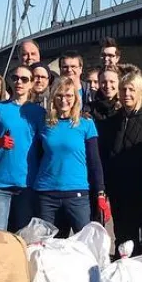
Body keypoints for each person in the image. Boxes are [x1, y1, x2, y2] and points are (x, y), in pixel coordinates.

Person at [98, 71, 142, 249]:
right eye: (123, 89)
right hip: (119, 193)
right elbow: (106, 154)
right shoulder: (113, 121)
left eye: (131, 90)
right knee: (123, 242)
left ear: (140, 92)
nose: (126, 94)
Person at [35, 76, 108, 235]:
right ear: (53, 98)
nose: (64, 100)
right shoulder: (44, 123)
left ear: (76, 98)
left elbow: (94, 161)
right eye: (59, 95)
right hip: (47, 194)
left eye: (68, 95)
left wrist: (100, 191)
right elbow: (37, 155)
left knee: (84, 245)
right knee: (49, 247)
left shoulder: (86, 123)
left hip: (77, 194)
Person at [0, 65, 46, 230]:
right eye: (15, 78)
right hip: (0, 182)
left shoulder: (39, 112)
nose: (19, 82)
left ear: (32, 83)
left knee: (22, 236)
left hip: (26, 182)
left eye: (24, 79)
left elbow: (44, 147)